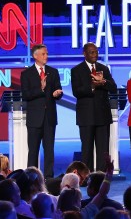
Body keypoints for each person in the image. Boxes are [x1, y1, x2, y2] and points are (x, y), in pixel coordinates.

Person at [71, 42, 117, 172]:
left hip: (102, 115)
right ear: (84, 53)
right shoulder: (76, 70)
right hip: (86, 116)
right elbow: (77, 91)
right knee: (87, 148)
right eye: (91, 52)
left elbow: (113, 87)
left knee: (103, 149)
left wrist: (103, 82)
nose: (95, 54)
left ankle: (101, 176)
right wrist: (92, 86)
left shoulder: (104, 68)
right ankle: (86, 176)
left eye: (96, 51)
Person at [20, 44, 63, 178]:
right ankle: (31, 179)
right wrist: (41, 88)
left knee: (49, 150)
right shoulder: (26, 74)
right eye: (43, 54)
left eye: (47, 54)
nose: (46, 56)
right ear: (35, 56)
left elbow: (58, 89)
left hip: (49, 117)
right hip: (34, 118)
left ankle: (49, 179)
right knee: (33, 151)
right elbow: (26, 95)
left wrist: (57, 93)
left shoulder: (53, 72)